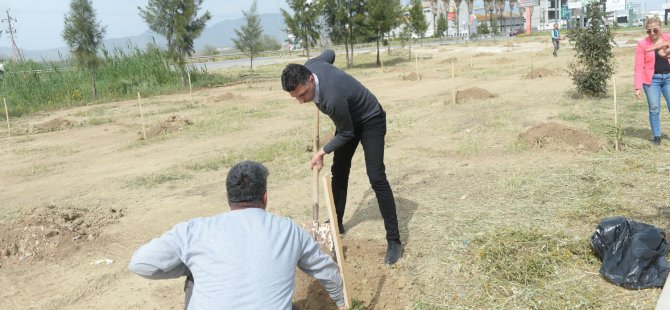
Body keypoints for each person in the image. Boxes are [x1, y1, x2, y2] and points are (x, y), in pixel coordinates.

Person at [128, 161, 345, 310]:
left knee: (194, 275)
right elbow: (326, 270)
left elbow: (140, 264)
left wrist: (189, 265)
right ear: (265, 197)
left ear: (228, 197)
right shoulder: (289, 230)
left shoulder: (194, 230)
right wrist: (342, 301)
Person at [281, 49, 402, 265]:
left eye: (303, 95)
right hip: (347, 120)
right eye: (296, 97)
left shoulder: (332, 98)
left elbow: (347, 133)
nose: (300, 101)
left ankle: (394, 241)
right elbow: (330, 53)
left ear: (310, 79)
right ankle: (337, 223)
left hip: (370, 118)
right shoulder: (312, 64)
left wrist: (321, 151)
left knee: (376, 177)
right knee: (339, 171)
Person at [635, 16, 670, 146]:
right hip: (652, 81)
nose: (652, 33)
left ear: (661, 28)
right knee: (654, 108)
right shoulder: (642, 45)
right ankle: (656, 136)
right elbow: (639, 66)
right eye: (649, 31)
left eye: (655, 30)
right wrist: (637, 86)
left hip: (668, 78)